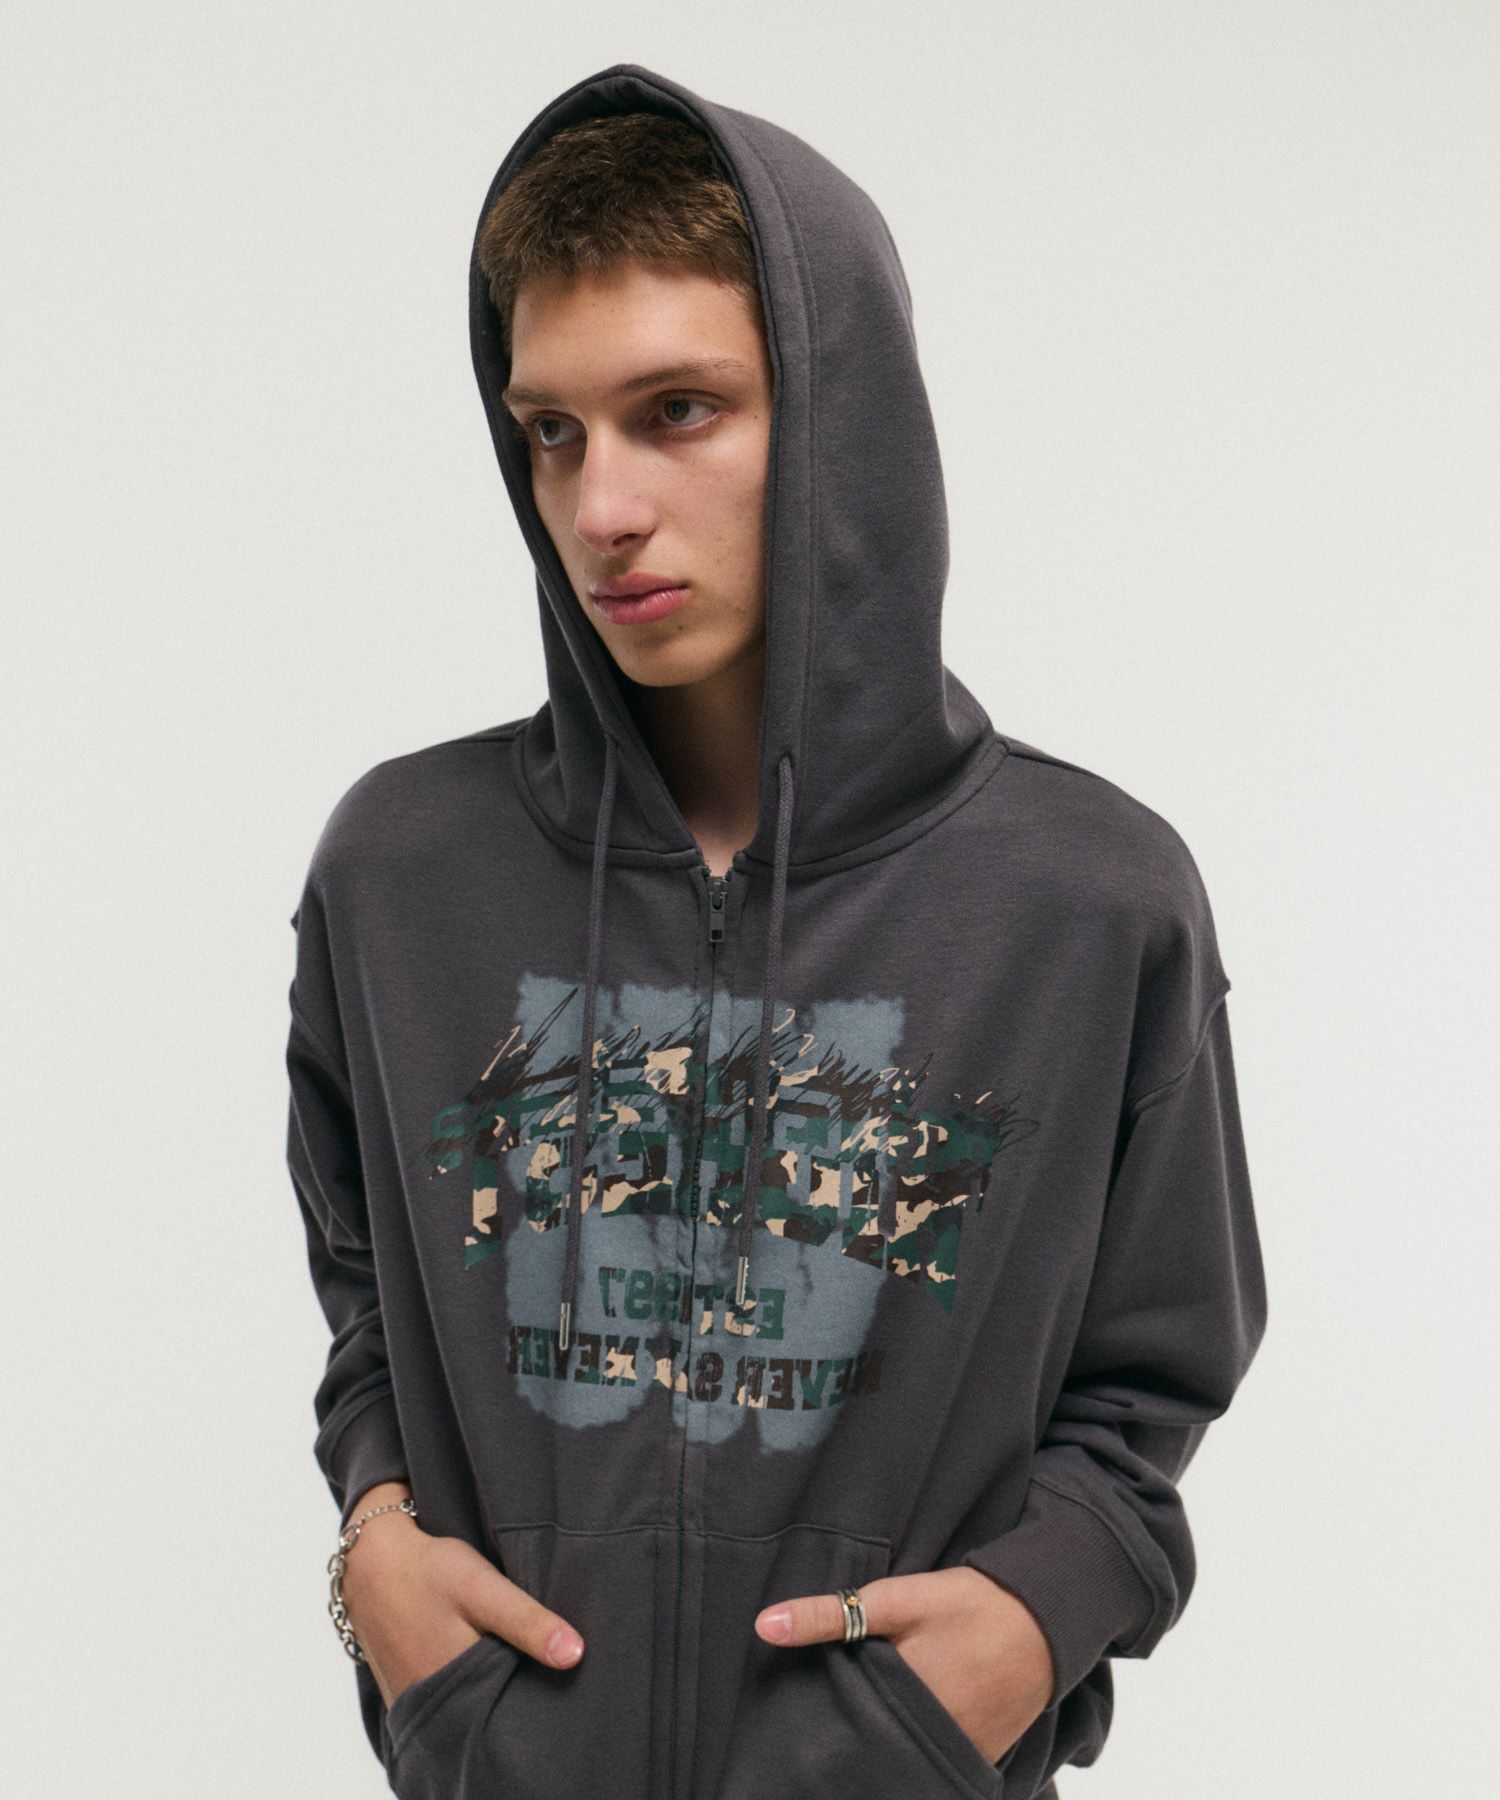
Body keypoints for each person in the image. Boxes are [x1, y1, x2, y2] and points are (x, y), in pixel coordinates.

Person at [285, 61, 1268, 1800]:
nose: (600, 509)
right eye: (552, 430)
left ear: (839, 417)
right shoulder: (400, 874)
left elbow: (1153, 1373)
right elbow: (369, 1289)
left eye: (678, 410)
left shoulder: (1086, 901)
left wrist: (1021, 1629)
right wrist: (375, 1543)